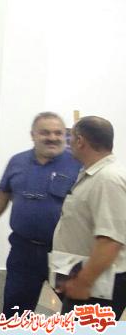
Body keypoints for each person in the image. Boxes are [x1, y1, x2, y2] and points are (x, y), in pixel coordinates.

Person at [0, 112, 81, 316]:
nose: (52, 137)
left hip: (64, 254)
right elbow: (3, 192)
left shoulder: (78, 164)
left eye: (58, 133)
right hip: (23, 252)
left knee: (78, 314)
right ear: (33, 135)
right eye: (45, 132)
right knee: (15, 313)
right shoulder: (17, 162)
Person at [51, 116, 126, 317]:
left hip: (98, 285)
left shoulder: (108, 179)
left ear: (80, 141)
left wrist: (84, 282)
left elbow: (111, 241)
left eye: (71, 137)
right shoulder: (93, 174)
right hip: (89, 279)